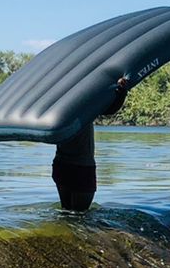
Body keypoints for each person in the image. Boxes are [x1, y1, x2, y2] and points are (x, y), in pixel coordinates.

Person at [50, 77, 127, 212]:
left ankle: (61, 233)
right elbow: (109, 110)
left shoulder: (57, 103)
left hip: (61, 164)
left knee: (66, 212)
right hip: (81, 166)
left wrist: (121, 91)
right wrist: (122, 91)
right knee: (81, 216)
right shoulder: (84, 102)